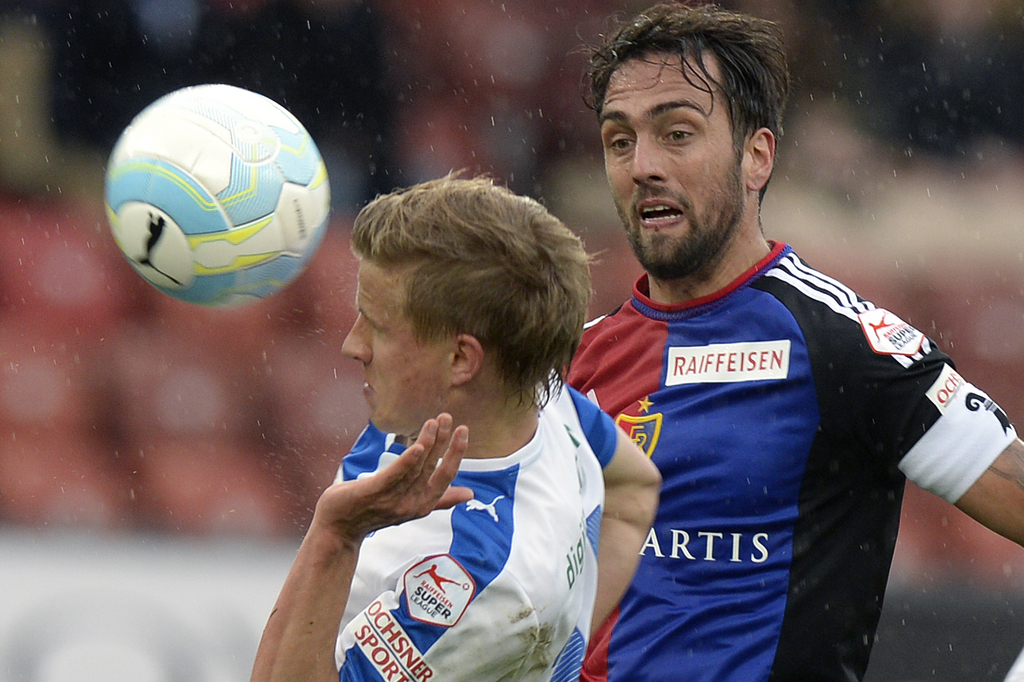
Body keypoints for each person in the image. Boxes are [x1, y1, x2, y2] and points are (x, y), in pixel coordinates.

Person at [566, 4, 1024, 681]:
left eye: (678, 133)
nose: (643, 166)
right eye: (619, 140)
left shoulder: (842, 344)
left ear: (757, 156)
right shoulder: (575, 359)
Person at [250, 174, 662, 682]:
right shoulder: (539, 398)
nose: (352, 346)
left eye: (377, 326)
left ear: (461, 359)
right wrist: (556, 656)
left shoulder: (478, 583)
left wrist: (334, 535)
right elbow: (636, 489)